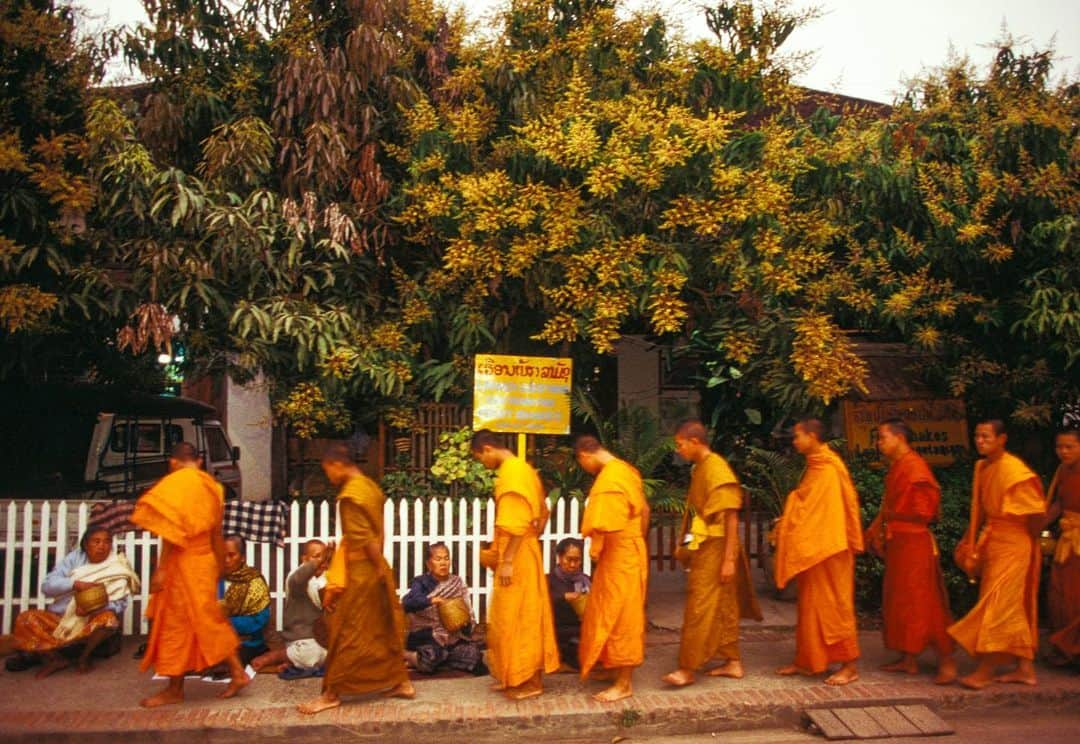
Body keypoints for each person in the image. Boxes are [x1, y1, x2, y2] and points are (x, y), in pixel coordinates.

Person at [298, 443, 413, 714]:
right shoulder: (370, 488)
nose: (329, 478)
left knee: (346, 632)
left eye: (328, 471)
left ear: (337, 464)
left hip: (363, 571)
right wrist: (383, 569)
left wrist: (376, 569)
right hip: (375, 566)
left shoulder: (351, 495)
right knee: (381, 629)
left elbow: (364, 540)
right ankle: (401, 681)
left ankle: (331, 693)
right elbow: (380, 533)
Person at [132, 442, 248, 707]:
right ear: (198, 460)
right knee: (208, 618)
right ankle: (238, 672)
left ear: (173, 462)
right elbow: (216, 534)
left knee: (175, 624)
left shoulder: (176, 483)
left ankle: (175, 689)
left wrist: (161, 569)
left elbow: (171, 535)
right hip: (205, 560)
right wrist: (219, 566)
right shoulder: (212, 487)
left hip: (182, 561)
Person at [662, 420, 761, 688]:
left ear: (695, 442)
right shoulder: (703, 468)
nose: (678, 450)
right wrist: (688, 544)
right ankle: (733, 662)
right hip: (707, 544)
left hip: (718, 547)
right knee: (724, 604)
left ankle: (687, 668)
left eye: (680, 444)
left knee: (699, 607)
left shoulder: (716, 468)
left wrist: (728, 560)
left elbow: (730, 517)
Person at [948, 419, 1046, 689]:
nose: (980, 441)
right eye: (977, 436)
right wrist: (970, 539)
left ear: (1002, 439)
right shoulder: (983, 466)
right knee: (1011, 605)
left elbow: (1036, 514)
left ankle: (987, 668)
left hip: (1015, 543)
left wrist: (1031, 540)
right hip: (993, 542)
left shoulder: (1014, 470)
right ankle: (1025, 669)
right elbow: (979, 509)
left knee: (999, 605)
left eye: (986, 436)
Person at [865, 419, 956, 683]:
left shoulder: (915, 467)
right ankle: (909, 658)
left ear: (899, 438)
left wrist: (891, 525)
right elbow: (887, 507)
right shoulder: (898, 467)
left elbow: (924, 511)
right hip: (899, 542)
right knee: (900, 600)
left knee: (924, 600)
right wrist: (878, 531)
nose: (879, 444)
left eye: (882, 438)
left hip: (915, 542)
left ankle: (946, 659)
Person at [471, 429, 560, 700]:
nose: (482, 464)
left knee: (522, 618)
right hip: (526, 550)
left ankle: (531, 681)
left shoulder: (512, 474)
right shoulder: (525, 470)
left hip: (517, 557)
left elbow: (518, 524)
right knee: (508, 618)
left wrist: (507, 560)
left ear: (487, 449)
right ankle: (513, 675)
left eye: (479, 458)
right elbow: (542, 516)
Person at [774, 419, 863, 685]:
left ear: (812, 436)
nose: (794, 441)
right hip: (817, 546)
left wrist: (792, 513)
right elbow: (808, 502)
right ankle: (808, 661)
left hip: (830, 548)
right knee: (810, 607)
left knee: (835, 607)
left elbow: (824, 511)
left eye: (798, 436)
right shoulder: (816, 465)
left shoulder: (829, 468)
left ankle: (849, 666)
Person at [574, 435, 650, 702]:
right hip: (629, 550)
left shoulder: (609, 480)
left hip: (620, 556)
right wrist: (635, 541)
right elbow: (644, 511)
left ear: (585, 455)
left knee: (623, 617)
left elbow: (606, 525)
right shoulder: (627, 471)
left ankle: (624, 683)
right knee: (605, 612)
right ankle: (612, 667)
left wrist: (596, 551)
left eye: (581, 463)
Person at [8, 527, 137, 677]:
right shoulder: (74, 559)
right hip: (61, 618)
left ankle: (84, 658)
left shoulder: (117, 565)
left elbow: (120, 604)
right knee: (26, 618)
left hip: (90, 620)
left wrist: (92, 609)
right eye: (96, 541)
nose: (102, 546)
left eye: (107, 541)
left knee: (109, 619)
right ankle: (54, 659)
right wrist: (75, 584)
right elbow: (47, 586)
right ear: (86, 545)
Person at [402, 542, 486, 676]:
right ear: (429, 563)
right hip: (427, 635)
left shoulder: (457, 582)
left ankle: (433, 660)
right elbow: (408, 603)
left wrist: (466, 624)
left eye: (446, 559)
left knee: (474, 656)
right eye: (438, 559)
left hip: (452, 637)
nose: (443, 563)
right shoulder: (421, 582)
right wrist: (431, 600)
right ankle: (407, 655)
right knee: (431, 657)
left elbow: (468, 611)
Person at [251, 539, 329, 674]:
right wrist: (318, 561)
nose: (322, 561)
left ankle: (291, 664)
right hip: (303, 640)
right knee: (311, 655)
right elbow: (299, 578)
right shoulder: (295, 578)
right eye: (316, 556)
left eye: (325, 558)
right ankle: (277, 656)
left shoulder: (327, 580)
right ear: (304, 559)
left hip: (322, 640)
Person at [1047, 428, 1080, 664]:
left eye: (1070, 447)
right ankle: (1067, 650)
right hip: (1067, 538)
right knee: (1060, 595)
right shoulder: (1062, 470)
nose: (1064, 452)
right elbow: (1058, 502)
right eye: (1060, 447)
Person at [218, 534, 271, 667]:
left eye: (231, 555)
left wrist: (226, 623)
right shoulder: (216, 579)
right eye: (223, 555)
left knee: (229, 661)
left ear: (242, 558)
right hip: (216, 639)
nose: (226, 560)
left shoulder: (254, 581)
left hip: (247, 641)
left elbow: (260, 619)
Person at [547, 537, 591, 672]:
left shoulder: (585, 580)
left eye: (576, 560)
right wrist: (563, 597)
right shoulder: (548, 580)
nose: (572, 565)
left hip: (581, 630)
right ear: (559, 558)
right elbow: (539, 604)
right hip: (557, 632)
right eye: (569, 559)